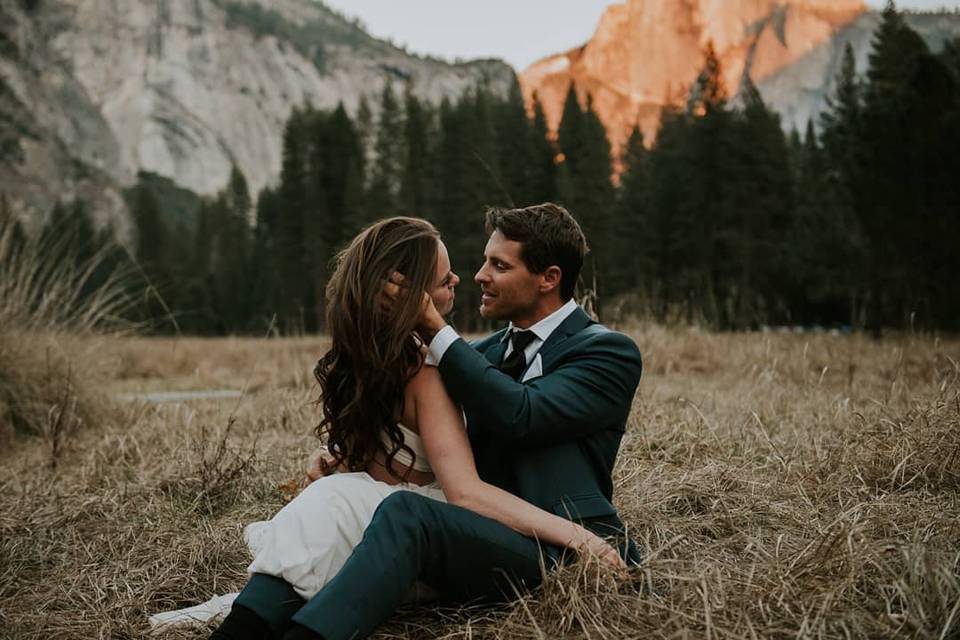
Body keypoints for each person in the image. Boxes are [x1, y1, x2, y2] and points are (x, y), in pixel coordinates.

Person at [226, 203, 644, 640]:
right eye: (484, 260)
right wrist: (347, 457)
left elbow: (523, 413)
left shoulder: (607, 352)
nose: (479, 275)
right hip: (479, 531)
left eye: (498, 265)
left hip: (562, 547)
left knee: (407, 514)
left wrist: (433, 325)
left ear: (549, 278)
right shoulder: (477, 355)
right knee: (336, 502)